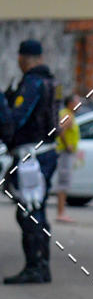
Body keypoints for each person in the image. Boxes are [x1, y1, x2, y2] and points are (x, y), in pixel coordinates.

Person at [3, 40, 58, 284]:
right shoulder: (51, 82)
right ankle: (40, 266)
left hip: (32, 157)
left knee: (29, 211)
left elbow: (16, 119)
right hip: (43, 153)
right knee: (36, 209)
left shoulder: (33, 84)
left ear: (22, 58)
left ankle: (36, 267)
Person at [55, 94, 81, 223]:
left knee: (64, 182)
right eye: (77, 102)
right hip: (65, 152)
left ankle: (61, 212)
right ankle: (61, 213)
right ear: (70, 104)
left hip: (65, 152)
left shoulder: (67, 114)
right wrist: (67, 145)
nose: (79, 105)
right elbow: (61, 130)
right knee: (64, 182)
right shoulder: (67, 115)